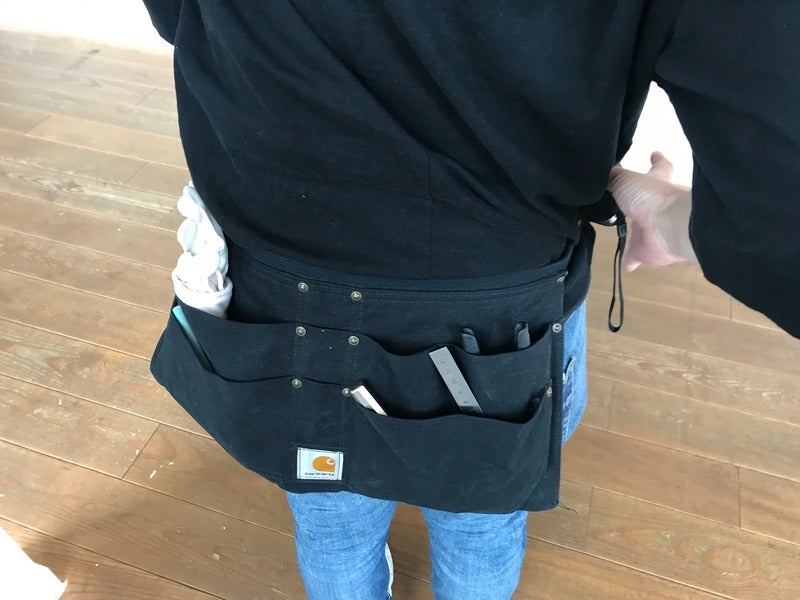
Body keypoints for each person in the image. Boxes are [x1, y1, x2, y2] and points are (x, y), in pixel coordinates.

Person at [142, 2, 799, 598]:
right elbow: (776, 235)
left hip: (281, 271)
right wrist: (670, 218)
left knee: (328, 513)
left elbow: (179, 19)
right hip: (498, 298)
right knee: (479, 521)